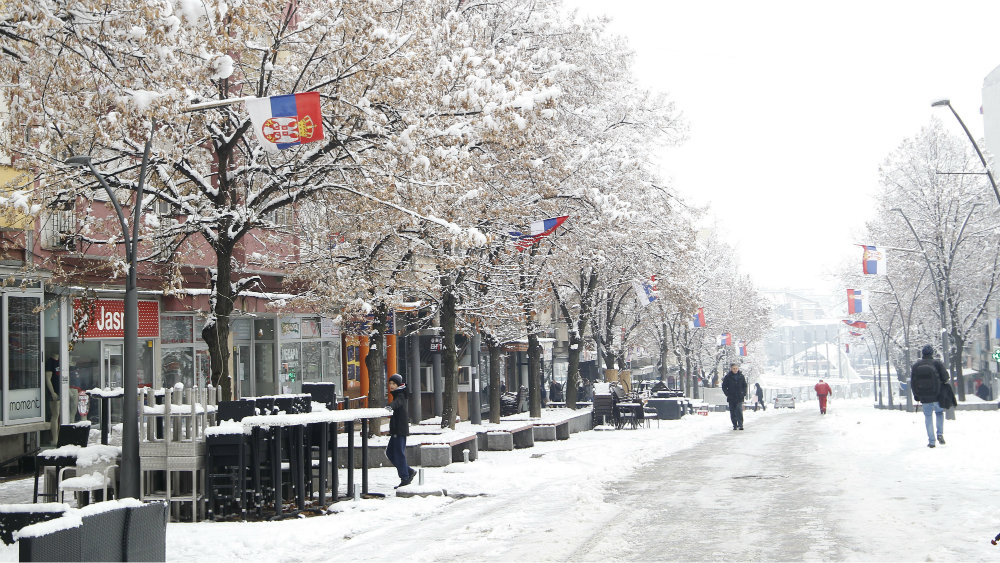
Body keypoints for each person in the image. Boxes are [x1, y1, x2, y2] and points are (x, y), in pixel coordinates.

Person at [910, 345, 950, 448]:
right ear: (932, 353)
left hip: (924, 396)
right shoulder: (937, 363)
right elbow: (945, 377)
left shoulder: (916, 365)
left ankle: (932, 441)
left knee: (928, 417)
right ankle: (940, 434)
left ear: (922, 353)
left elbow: (913, 383)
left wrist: (916, 395)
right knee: (939, 413)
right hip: (937, 395)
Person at [385, 374, 416, 487]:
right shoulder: (397, 394)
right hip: (396, 430)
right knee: (390, 452)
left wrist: (390, 406)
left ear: (398, 385)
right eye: (390, 383)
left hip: (399, 430)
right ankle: (408, 471)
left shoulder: (400, 394)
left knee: (398, 454)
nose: (391, 386)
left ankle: (405, 477)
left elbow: (397, 403)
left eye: (394, 384)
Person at [722, 363, 748, 430]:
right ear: (731, 369)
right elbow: (724, 386)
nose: (735, 370)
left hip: (739, 397)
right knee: (732, 411)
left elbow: (745, 385)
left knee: (739, 410)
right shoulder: (727, 377)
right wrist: (727, 393)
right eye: (734, 368)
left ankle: (740, 424)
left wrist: (744, 393)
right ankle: (734, 425)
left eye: (736, 368)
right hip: (731, 397)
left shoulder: (741, 376)